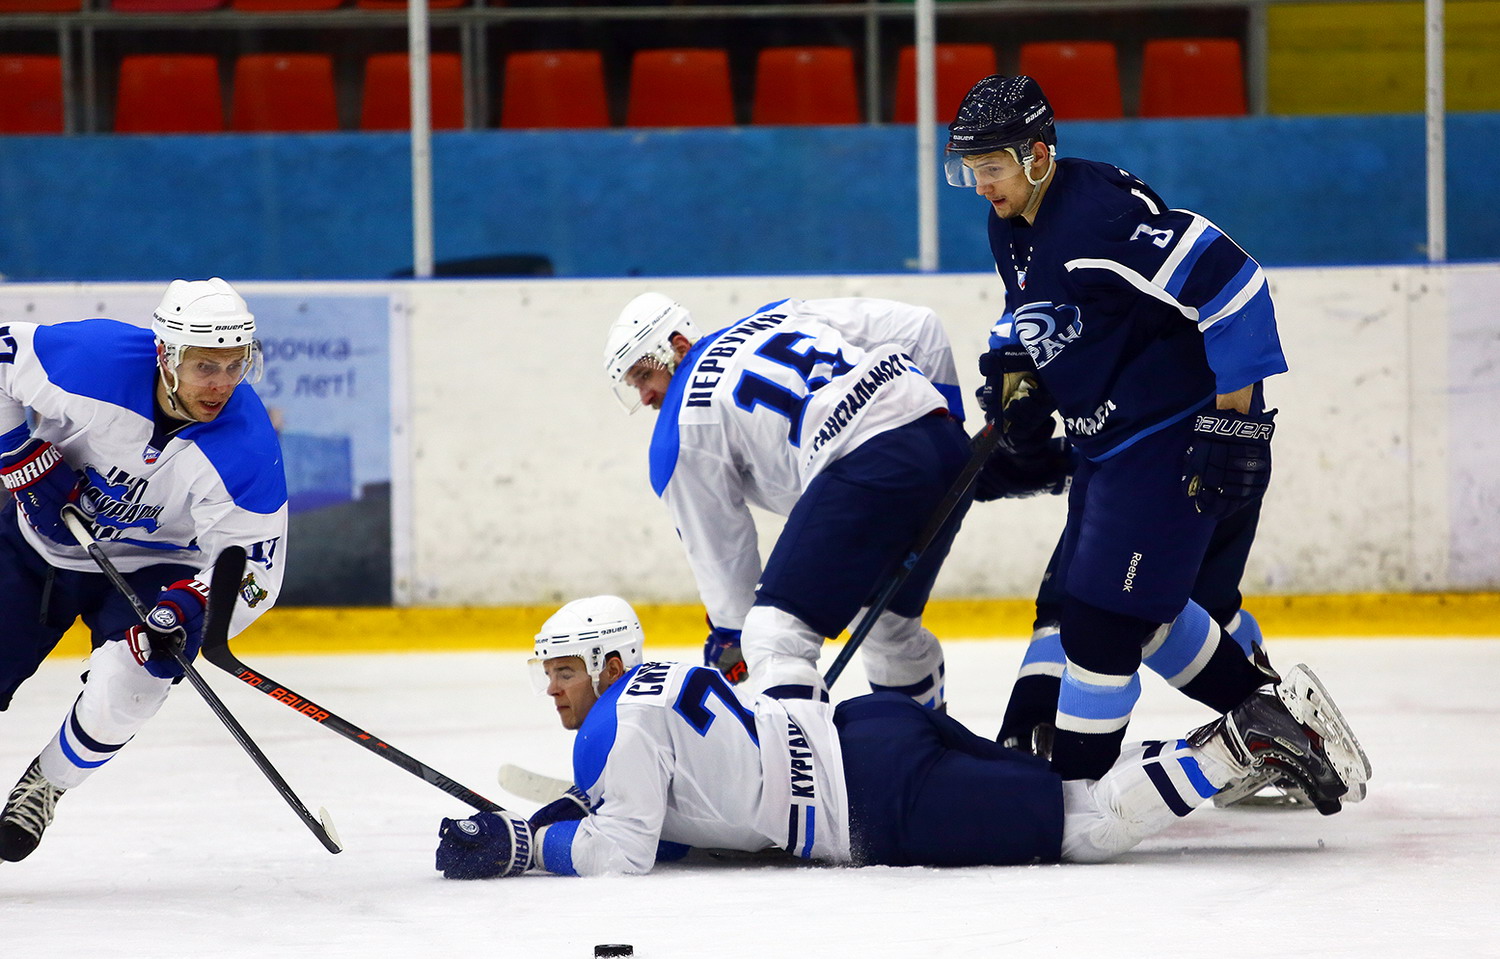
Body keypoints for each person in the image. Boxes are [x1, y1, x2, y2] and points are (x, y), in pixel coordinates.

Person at [431, 595, 1369, 879]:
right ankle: (1234, 751)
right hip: (876, 726)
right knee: (1064, 794)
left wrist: (528, 842)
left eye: (561, 668)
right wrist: (573, 803)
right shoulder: (663, 676)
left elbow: (624, 852)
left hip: (876, 803)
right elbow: (685, 810)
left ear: (600, 661)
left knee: (1077, 829)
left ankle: (1242, 745)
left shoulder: (614, 728)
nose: (553, 687)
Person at [944, 74, 1297, 784]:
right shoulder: (1010, 219)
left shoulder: (1093, 218)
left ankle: (1075, 785)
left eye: (992, 168)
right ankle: (1271, 722)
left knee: (1103, 622)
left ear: (1038, 155)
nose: (981, 185)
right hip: (1106, 444)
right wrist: (1015, 368)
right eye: (970, 170)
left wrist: (1235, 425)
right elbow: (1029, 305)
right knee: (1135, 606)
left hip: (1166, 437)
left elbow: (1234, 283)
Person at [0, 277, 288, 862]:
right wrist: (16, 453)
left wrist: (192, 605)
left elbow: (258, 571)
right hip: (34, 547)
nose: (223, 385)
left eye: (237, 366)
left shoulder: (247, 451)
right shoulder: (92, 363)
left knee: (134, 681)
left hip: (159, 565)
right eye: (206, 366)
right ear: (166, 354)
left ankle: (46, 784)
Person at [602, 293, 971, 707]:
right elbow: (921, 325)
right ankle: (929, 756)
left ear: (678, 345)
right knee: (886, 627)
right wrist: (951, 422)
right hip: (943, 442)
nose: (646, 396)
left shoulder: (682, 428)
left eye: (643, 376)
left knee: (773, 636)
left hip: (867, 467)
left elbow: (722, 549)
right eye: (634, 385)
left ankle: (796, 772)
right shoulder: (777, 314)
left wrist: (733, 634)